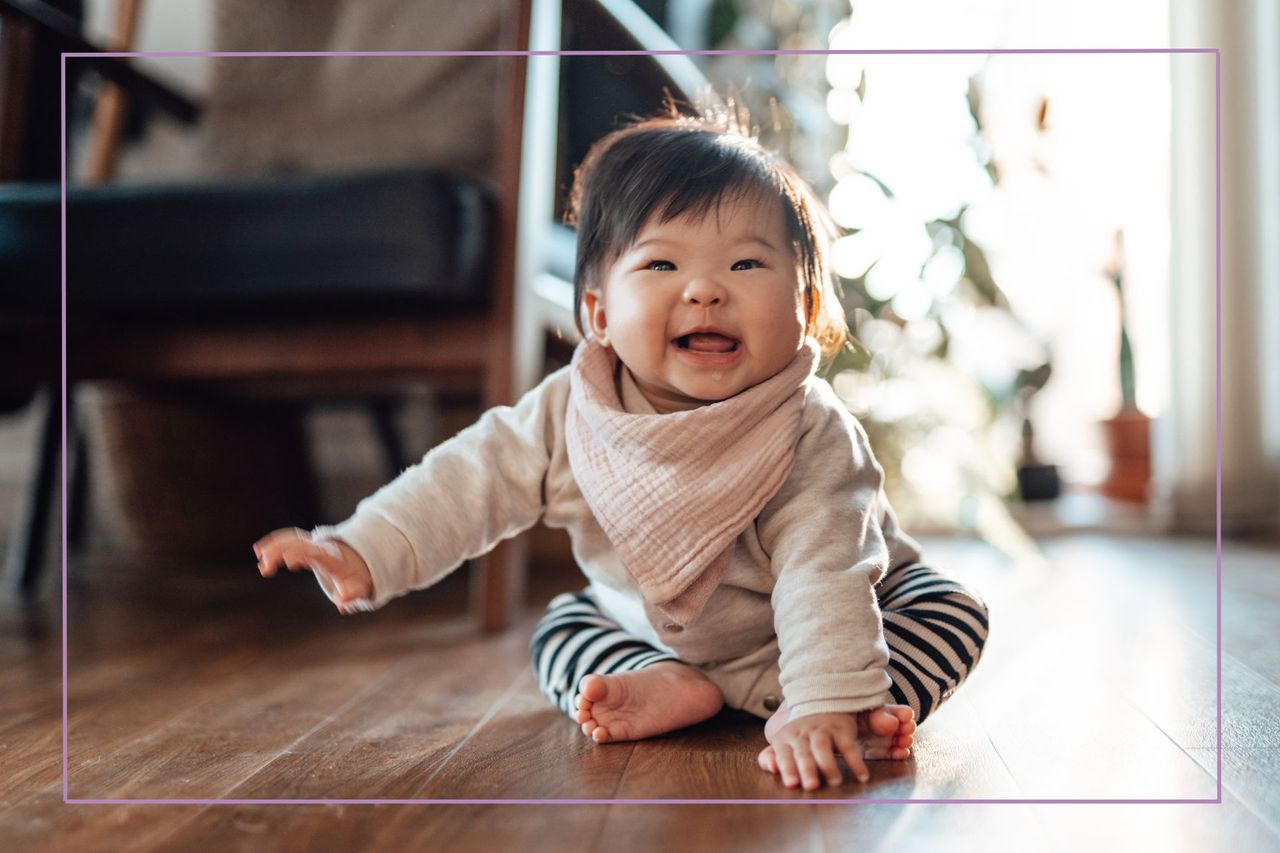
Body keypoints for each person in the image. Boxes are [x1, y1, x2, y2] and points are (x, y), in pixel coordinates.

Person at [254, 105, 989, 793]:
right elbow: (467, 478)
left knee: (951, 611)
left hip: (841, 624)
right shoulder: (571, 412)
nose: (705, 290)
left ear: (804, 307)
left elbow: (826, 569)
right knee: (563, 629)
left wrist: (825, 697)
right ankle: (669, 681)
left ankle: (848, 704)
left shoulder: (808, 429)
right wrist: (363, 546)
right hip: (650, 631)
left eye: (746, 265)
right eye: (662, 266)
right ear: (599, 313)